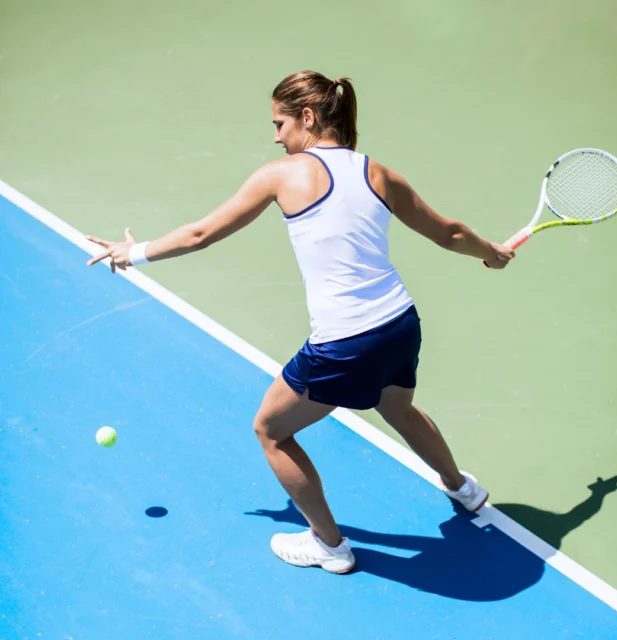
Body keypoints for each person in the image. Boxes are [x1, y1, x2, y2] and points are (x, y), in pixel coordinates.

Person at [86, 70, 514, 575]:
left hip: (347, 340)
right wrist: (492, 254)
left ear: (307, 118)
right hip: (399, 323)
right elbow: (449, 233)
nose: (275, 136)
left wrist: (133, 253)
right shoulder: (379, 173)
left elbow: (201, 233)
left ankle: (330, 546)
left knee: (270, 429)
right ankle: (463, 489)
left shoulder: (282, 174)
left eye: (279, 123)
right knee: (398, 408)